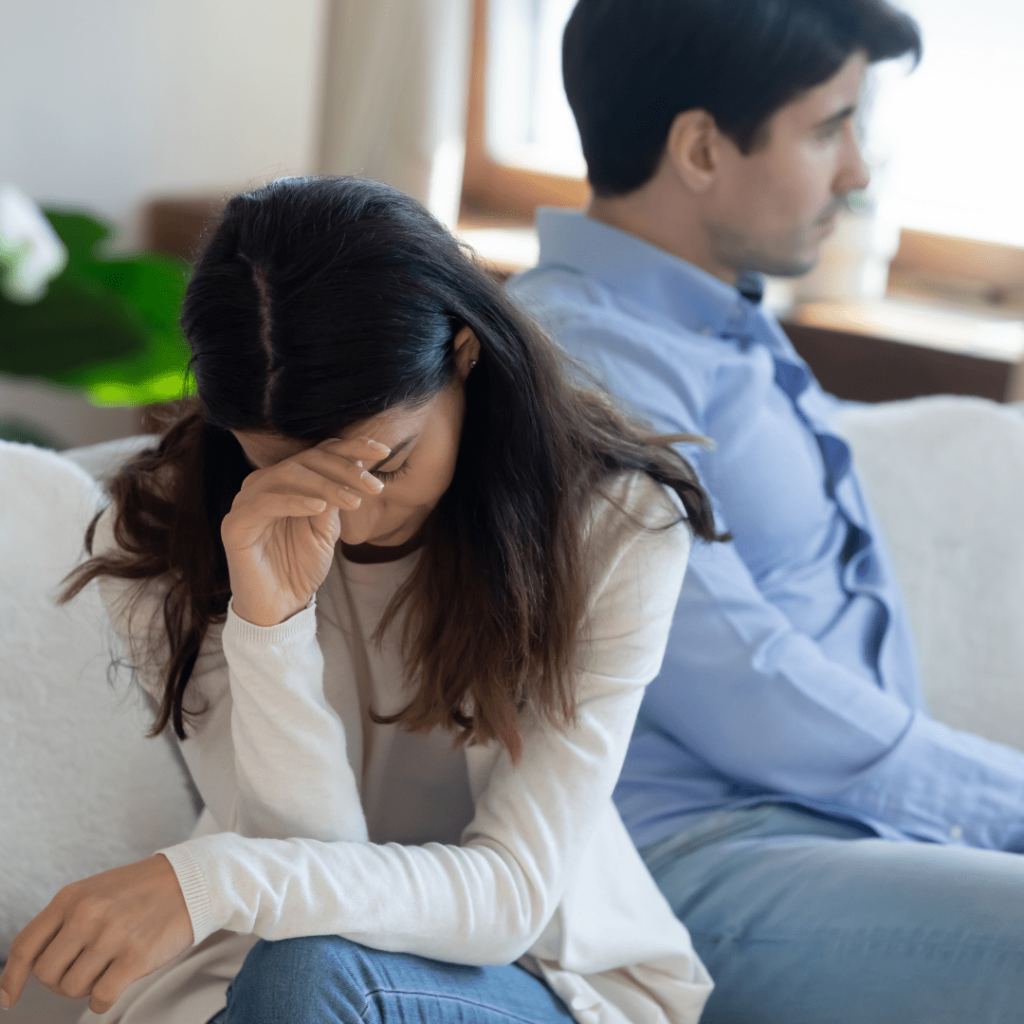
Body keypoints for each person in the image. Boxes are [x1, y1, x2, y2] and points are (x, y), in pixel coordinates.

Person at [0, 176, 721, 1023]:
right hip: (279, 964)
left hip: (535, 974)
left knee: (309, 975)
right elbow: (313, 868)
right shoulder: (173, 531)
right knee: (298, 970)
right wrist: (270, 625)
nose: (350, 519)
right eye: (286, 469)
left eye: (385, 464)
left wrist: (216, 878)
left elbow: (509, 896)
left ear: (463, 353)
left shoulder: (615, 528)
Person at [509, 2, 1024, 1022]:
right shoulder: (580, 359)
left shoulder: (713, 323)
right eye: (829, 127)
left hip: (844, 845)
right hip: (703, 859)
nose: (856, 171)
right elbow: (735, 675)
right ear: (700, 147)